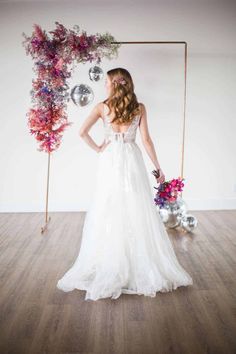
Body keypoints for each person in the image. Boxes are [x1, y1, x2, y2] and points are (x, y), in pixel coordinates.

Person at [56, 67, 193, 301]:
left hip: (110, 159)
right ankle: (135, 260)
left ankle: (111, 260)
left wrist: (100, 148)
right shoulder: (139, 108)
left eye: (107, 82)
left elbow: (82, 132)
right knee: (135, 205)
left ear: (114, 84)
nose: (105, 85)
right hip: (131, 157)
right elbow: (147, 141)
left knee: (109, 206)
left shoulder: (102, 107)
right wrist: (158, 169)